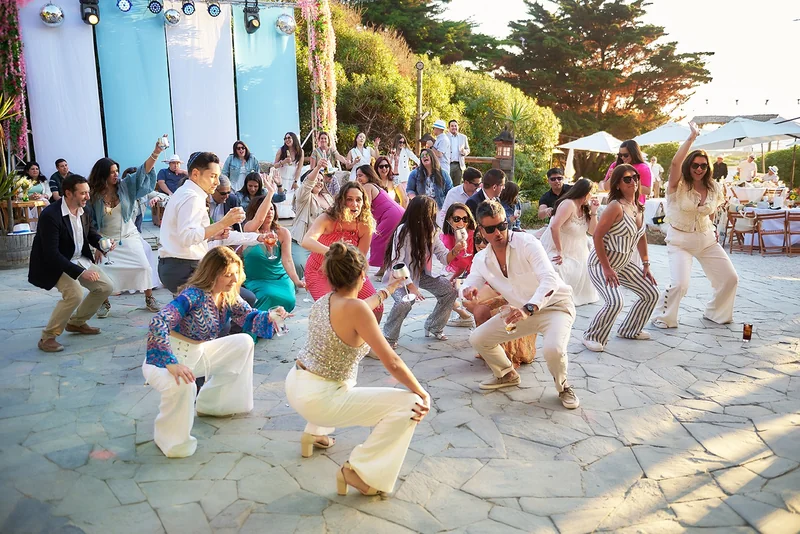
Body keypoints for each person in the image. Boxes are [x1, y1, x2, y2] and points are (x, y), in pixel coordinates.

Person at [285, 242, 429, 496]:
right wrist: (422, 392)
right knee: (411, 404)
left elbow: (360, 307)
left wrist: (387, 291)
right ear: (363, 274)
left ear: (330, 275)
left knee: (342, 373)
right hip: (318, 401)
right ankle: (358, 471)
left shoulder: (325, 301)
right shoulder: (356, 309)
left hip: (296, 384)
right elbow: (392, 362)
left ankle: (313, 434)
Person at [144, 246, 285, 458]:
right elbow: (159, 322)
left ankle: (215, 404)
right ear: (212, 274)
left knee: (244, 342)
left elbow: (249, 317)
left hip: (198, 354)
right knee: (184, 384)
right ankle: (171, 440)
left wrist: (272, 316)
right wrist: (170, 362)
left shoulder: (228, 295)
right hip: (169, 362)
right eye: (227, 274)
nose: (234, 279)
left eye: (236, 273)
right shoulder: (192, 295)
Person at [462, 200, 579, 409]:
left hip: (556, 307)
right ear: (481, 230)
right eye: (491, 229)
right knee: (478, 338)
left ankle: (563, 387)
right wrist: (467, 289)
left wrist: (528, 308)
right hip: (521, 312)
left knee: (553, 349)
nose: (498, 233)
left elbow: (549, 279)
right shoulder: (481, 259)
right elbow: (471, 281)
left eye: (502, 225)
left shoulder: (527, 243)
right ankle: (506, 374)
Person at [652, 122, 738, 329]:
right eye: (695, 165)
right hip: (680, 241)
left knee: (730, 278)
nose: (699, 169)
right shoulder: (678, 185)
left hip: (706, 240)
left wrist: (713, 229)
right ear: (688, 166)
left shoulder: (714, 187)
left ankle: (716, 312)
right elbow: (675, 164)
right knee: (680, 284)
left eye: (703, 165)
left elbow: (712, 211)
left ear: (708, 168)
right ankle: (663, 316)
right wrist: (691, 138)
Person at [29, 174, 114, 353]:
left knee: (105, 287)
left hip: (77, 258)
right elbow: (51, 254)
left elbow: (90, 234)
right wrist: (81, 273)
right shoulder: (50, 215)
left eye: (88, 192)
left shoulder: (85, 210)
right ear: (68, 193)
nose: (88, 197)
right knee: (74, 294)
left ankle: (76, 323)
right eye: (83, 193)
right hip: (53, 263)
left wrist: (102, 243)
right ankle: (47, 337)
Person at [582, 164, 659, 352]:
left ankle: (630, 330)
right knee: (615, 301)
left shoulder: (638, 207)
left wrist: (646, 263)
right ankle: (591, 336)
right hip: (601, 263)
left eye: (635, 177)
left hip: (623, 264)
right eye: (627, 179)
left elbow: (641, 236)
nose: (633, 181)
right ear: (617, 184)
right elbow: (597, 236)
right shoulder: (615, 207)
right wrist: (607, 269)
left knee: (651, 293)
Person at [88, 144, 163, 317]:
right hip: (106, 239)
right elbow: (90, 223)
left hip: (129, 235)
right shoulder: (93, 195)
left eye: (117, 171)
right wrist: (98, 244)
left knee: (144, 267)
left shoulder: (125, 186)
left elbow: (143, 172)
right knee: (103, 272)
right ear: (102, 175)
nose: (116, 175)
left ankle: (149, 298)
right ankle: (104, 302)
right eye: (112, 172)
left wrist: (156, 152)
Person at [158, 152, 248, 295]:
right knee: (243, 298)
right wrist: (223, 223)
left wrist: (213, 233)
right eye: (213, 176)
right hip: (184, 268)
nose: (217, 182)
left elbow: (188, 234)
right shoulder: (191, 197)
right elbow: (187, 237)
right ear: (195, 174)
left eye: (218, 176)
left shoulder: (186, 192)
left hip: (178, 266)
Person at [382, 196, 460, 346]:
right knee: (405, 302)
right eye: (431, 213)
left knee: (449, 290)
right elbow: (397, 263)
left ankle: (434, 326)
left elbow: (444, 257)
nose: (433, 217)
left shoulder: (433, 231)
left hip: (422, 274)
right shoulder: (403, 230)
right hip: (399, 278)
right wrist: (412, 287)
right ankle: (389, 337)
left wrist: (456, 250)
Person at [302, 182, 384, 321]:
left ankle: (365, 334)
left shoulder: (365, 224)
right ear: (341, 201)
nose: (354, 204)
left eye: (358, 199)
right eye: (349, 199)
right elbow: (306, 241)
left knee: (376, 307)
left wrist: (359, 277)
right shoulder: (327, 218)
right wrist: (333, 253)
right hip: (320, 271)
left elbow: (361, 257)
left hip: (349, 271)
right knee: (331, 311)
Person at [462, 230, 537, 368]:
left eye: (485, 240)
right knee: (476, 307)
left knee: (505, 311)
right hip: (497, 291)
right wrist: (467, 290)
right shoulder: (479, 258)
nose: (481, 244)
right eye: (477, 239)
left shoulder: (515, 252)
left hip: (520, 296)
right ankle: (489, 351)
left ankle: (512, 355)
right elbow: (473, 283)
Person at [539, 178, 599, 306]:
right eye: (591, 192)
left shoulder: (585, 208)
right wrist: (559, 251)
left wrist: (594, 212)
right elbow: (554, 227)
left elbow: (592, 231)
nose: (592, 196)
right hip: (558, 247)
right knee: (556, 268)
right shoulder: (568, 204)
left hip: (578, 251)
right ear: (585, 192)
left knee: (586, 270)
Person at [241, 197, 304, 312]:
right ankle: (258, 321)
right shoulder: (249, 229)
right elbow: (258, 220)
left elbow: (287, 260)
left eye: (271, 209)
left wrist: (296, 281)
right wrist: (270, 192)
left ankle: (274, 320)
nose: (269, 212)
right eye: (265, 209)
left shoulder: (283, 232)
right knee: (268, 295)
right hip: (257, 279)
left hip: (279, 277)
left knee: (289, 299)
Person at [355, 165, 405, 278]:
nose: (358, 178)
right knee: (387, 241)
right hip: (395, 213)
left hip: (392, 215)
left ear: (368, 175)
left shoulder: (367, 186)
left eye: (361, 175)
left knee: (377, 239)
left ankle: (383, 267)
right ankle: (384, 268)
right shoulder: (373, 185)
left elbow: (366, 207)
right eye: (357, 176)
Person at [291, 160, 335, 281]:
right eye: (317, 179)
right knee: (300, 265)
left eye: (321, 180)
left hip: (324, 241)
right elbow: (307, 185)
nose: (319, 182)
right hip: (302, 241)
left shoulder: (327, 197)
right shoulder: (303, 196)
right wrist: (318, 167)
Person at [440, 202, 476, 327]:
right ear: (449, 220)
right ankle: (465, 316)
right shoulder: (448, 238)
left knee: (461, 292)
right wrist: (453, 278)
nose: (461, 223)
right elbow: (459, 263)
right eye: (457, 219)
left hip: (479, 273)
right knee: (444, 289)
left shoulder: (474, 236)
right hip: (468, 272)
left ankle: (471, 317)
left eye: (465, 219)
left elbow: (471, 262)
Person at [274, 133, 304, 218]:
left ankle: (292, 215)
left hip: (293, 179)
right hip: (282, 179)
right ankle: (279, 215)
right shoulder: (281, 150)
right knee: (282, 196)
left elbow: (299, 168)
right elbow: (275, 165)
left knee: (293, 197)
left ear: (294, 138)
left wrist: (295, 181)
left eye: (289, 138)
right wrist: (283, 162)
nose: (287, 140)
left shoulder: (300, 151)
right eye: (285, 138)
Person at [447, 120, 470, 186]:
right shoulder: (445, 137)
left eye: (455, 126)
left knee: (458, 185)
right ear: (449, 128)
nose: (454, 127)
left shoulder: (463, 137)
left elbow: (468, 149)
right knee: (447, 184)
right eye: (452, 126)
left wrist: (464, 152)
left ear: (458, 127)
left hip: (459, 165)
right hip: (448, 164)